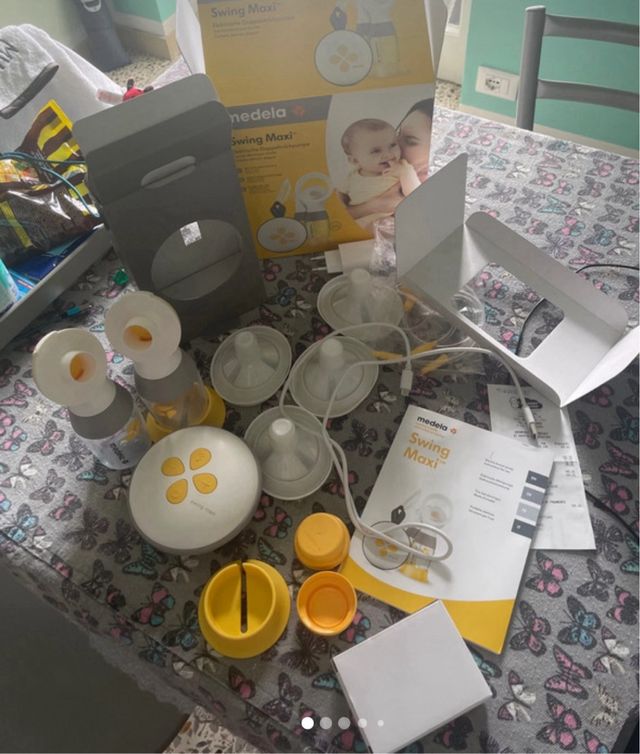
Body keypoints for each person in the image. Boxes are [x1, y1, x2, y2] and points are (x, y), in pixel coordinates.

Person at [340, 99, 434, 225]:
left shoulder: (408, 173)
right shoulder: (356, 173)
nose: (395, 148)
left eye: (410, 141)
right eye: (397, 136)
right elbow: (338, 209)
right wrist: (371, 206)